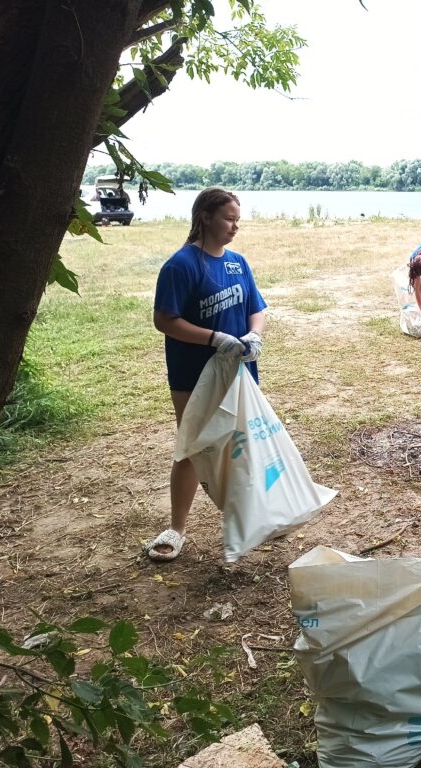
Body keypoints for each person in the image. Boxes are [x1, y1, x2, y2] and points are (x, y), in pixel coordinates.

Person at [146, 188, 268, 561]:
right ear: (206, 217)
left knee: (240, 445)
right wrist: (213, 338)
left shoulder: (237, 263)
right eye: (229, 219)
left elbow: (256, 307)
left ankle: (251, 519)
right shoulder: (180, 266)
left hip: (238, 370)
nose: (235, 227)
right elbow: (164, 320)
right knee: (192, 446)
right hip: (192, 374)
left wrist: (254, 336)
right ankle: (177, 528)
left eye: (237, 220)